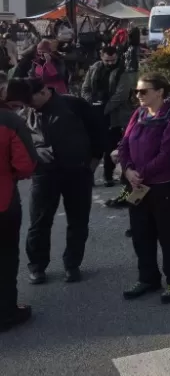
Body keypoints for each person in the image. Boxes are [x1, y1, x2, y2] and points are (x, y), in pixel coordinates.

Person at [4, 78, 103, 285]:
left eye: (31, 101)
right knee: (39, 221)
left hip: (77, 172)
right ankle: (37, 266)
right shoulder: (24, 112)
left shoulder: (74, 104)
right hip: (44, 174)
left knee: (77, 220)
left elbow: (98, 132)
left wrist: (92, 164)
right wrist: (37, 154)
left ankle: (72, 264)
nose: (28, 106)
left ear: (44, 92)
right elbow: (22, 143)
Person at [116, 73, 170, 303]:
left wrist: (141, 174)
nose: (138, 95)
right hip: (136, 184)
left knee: (167, 235)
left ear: (159, 92)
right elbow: (124, 143)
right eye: (137, 91)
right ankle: (148, 278)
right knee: (140, 233)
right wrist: (128, 169)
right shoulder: (138, 114)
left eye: (143, 91)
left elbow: (168, 155)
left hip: (163, 186)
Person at [0, 101, 37, 332]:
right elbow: (26, 165)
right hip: (3, 200)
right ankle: (6, 312)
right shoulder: (9, 120)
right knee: (5, 257)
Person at [82, 45, 136, 187]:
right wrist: (91, 103)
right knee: (95, 147)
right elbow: (85, 89)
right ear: (102, 57)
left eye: (113, 60)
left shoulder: (123, 71)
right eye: (107, 60)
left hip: (115, 115)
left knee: (111, 147)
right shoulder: (94, 68)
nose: (110, 63)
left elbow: (121, 95)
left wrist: (104, 109)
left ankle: (108, 176)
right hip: (96, 112)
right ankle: (88, 176)